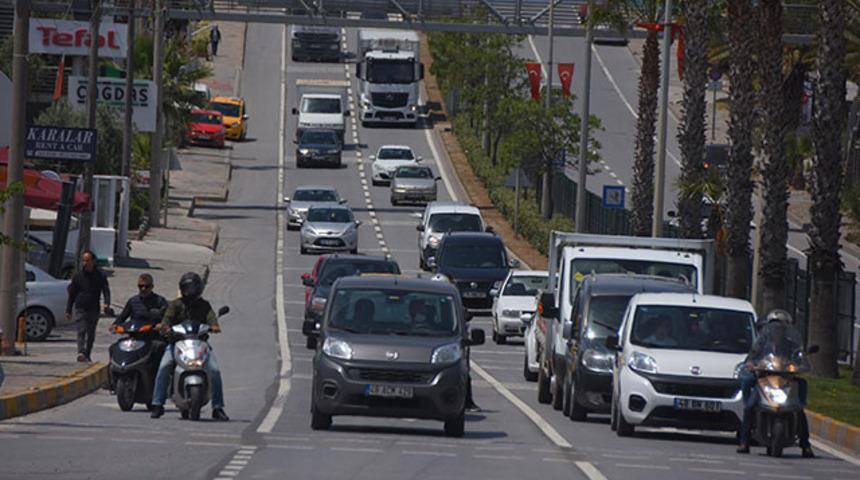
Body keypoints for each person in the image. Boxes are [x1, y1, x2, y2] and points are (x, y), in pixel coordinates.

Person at [150, 272, 228, 421]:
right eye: (187, 287)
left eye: (193, 287)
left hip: (200, 344)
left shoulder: (204, 305)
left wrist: (214, 326)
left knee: (215, 370)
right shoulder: (175, 305)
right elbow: (167, 319)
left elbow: (211, 317)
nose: (190, 291)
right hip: (177, 344)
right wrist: (165, 327)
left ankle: (218, 407)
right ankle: (157, 404)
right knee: (164, 367)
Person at [736, 309, 813, 457]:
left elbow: (800, 357)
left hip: (786, 378)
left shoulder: (792, 344)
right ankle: (744, 441)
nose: (777, 329)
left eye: (781, 326)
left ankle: (805, 445)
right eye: (774, 326)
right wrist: (752, 364)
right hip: (765, 377)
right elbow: (752, 356)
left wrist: (800, 364)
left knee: (799, 407)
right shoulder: (762, 342)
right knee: (750, 406)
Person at [65, 250, 111, 362]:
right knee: (81, 330)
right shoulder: (78, 276)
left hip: (94, 308)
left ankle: (87, 353)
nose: (85, 263)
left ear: (93, 261)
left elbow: (106, 290)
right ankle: (81, 352)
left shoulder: (100, 275)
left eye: (88, 260)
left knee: (91, 332)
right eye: (83, 260)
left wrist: (106, 303)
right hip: (80, 306)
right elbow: (72, 294)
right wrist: (68, 310)